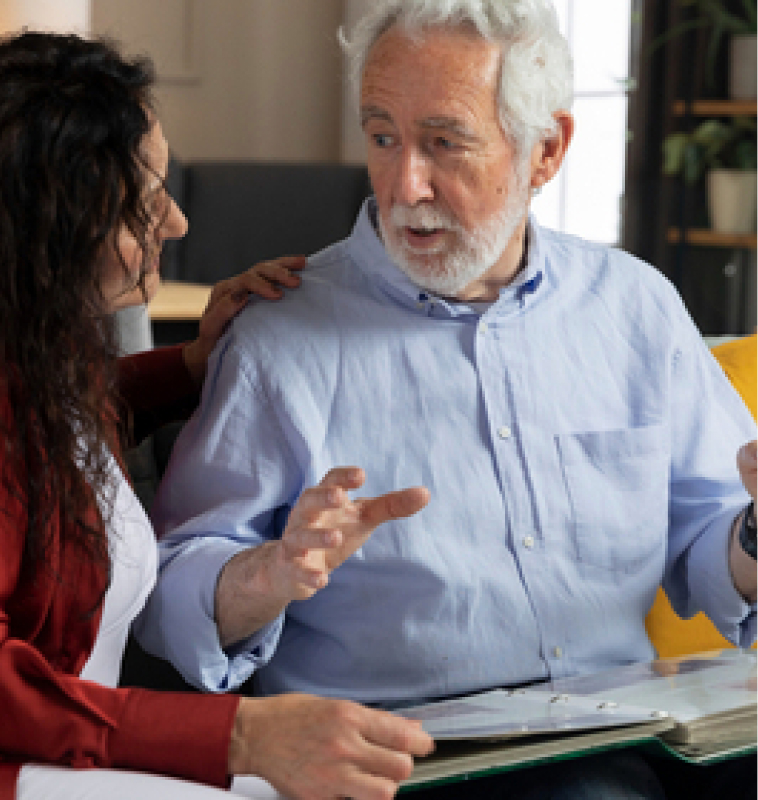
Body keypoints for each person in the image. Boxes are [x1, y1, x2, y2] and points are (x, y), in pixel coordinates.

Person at [138, 1, 757, 797]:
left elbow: (709, 543)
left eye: (444, 142)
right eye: (383, 137)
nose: (406, 185)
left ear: (546, 150)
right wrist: (270, 573)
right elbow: (169, 589)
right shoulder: (279, 335)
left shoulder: (635, 307)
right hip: (410, 761)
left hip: (633, 730)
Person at [0, 30, 435, 800]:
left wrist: (192, 366)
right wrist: (238, 734)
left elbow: (46, 426)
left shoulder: (36, 357)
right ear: (50, 226)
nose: (176, 223)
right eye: (144, 203)